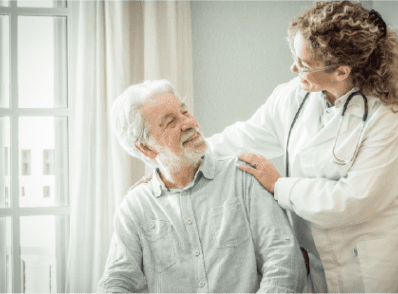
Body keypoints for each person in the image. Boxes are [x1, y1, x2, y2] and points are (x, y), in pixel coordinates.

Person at [205, 1, 398, 292]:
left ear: (341, 72)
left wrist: (278, 185)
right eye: (295, 55)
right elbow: (242, 138)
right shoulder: (293, 96)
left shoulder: (384, 117)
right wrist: (181, 158)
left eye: (304, 64)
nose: (293, 67)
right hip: (318, 260)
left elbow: (352, 201)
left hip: (373, 266)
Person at [98, 80, 305, 293]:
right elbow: (117, 280)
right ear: (145, 148)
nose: (189, 123)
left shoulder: (244, 178)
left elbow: (283, 261)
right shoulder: (135, 206)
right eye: (170, 122)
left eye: (185, 112)